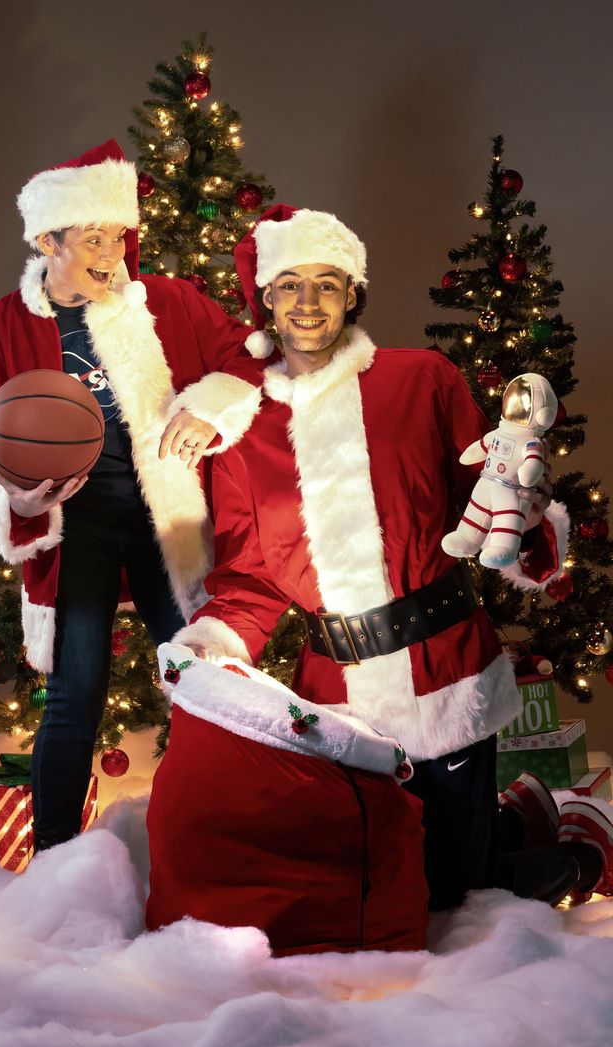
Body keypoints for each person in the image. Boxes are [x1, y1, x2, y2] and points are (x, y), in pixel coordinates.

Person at [167, 203, 611, 910]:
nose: (308, 302)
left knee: (451, 896)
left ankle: (581, 853)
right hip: (336, 696)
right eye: (290, 285)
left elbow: (487, 501)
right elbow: (250, 576)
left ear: (353, 294)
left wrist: (526, 510)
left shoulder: (423, 379)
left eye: (327, 283)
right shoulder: (244, 435)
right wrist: (211, 647)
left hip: (446, 672)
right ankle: (515, 819)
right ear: (266, 299)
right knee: (377, 884)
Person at [0, 140, 259, 850]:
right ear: (48, 240)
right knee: (75, 696)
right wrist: (20, 500)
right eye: (92, 237)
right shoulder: (3, 327)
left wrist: (210, 408)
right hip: (77, 530)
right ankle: (55, 857)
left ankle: (216, 845)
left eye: (119, 236)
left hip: (169, 522)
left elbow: (249, 357)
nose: (111, 252)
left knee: (206, 687)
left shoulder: (169, 303)